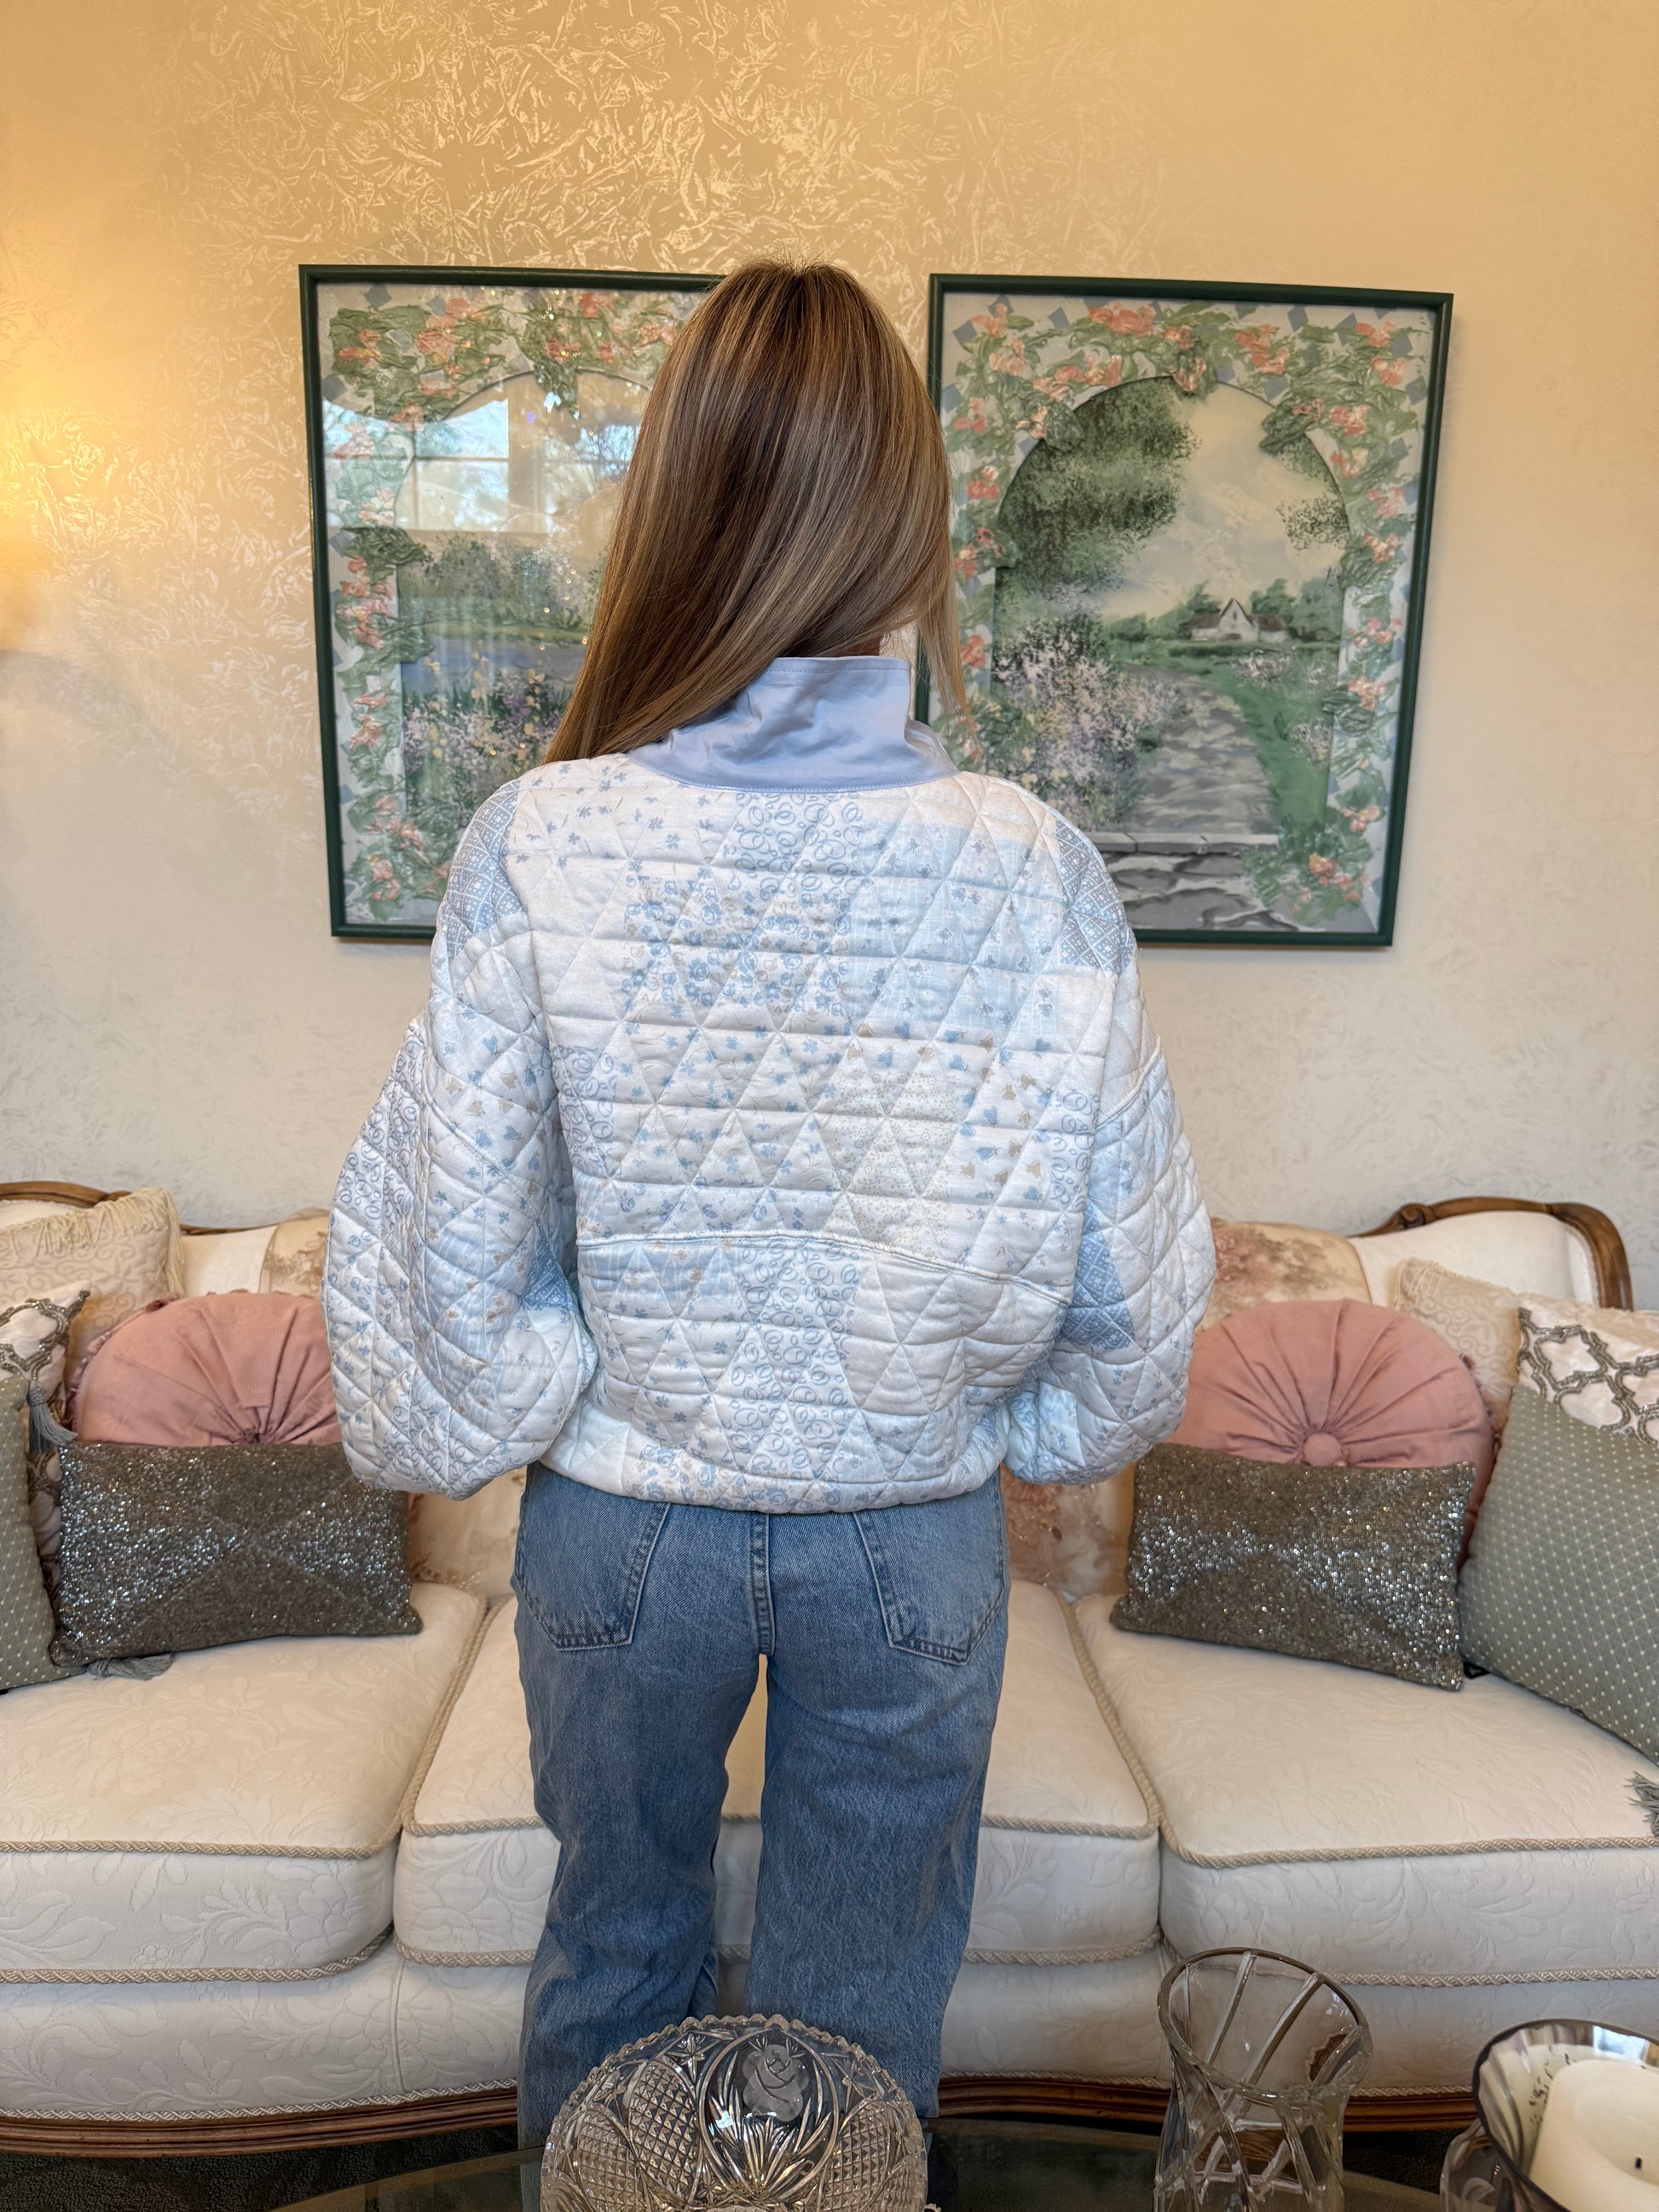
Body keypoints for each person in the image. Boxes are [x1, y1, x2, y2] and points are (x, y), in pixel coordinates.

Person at [323, 259, 1213, 2152]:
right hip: (910, 1533)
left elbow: (445, 1248)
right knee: (863, 2001)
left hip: (622, 1527)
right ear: (908, 517)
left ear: (669, 509)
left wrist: (577, 1387)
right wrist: (991, 1418)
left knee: (612, 1951)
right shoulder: (1030, 867)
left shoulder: (543, 838)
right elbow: (1129, 1292)